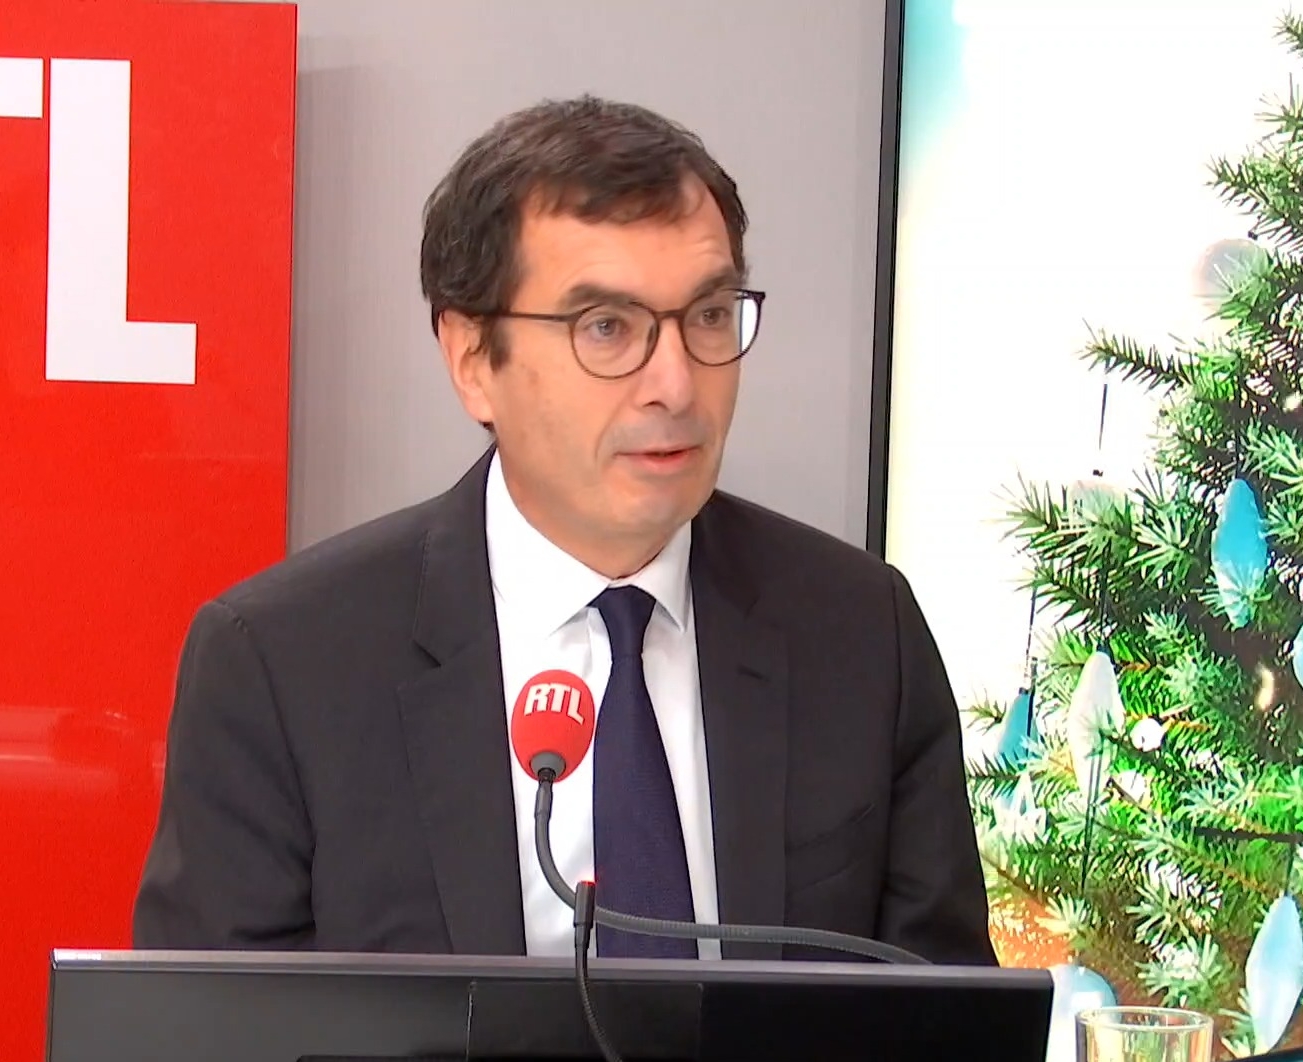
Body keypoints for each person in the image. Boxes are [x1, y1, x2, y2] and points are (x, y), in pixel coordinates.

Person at [132, 95, 996, 966]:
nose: (675, 384)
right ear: (473, 360)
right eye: (607, 328)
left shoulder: (859, 630)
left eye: (707, 315)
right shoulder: (285, 665)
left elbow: (942, 1011)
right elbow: (211, 1025)